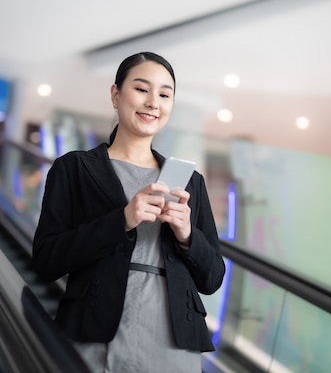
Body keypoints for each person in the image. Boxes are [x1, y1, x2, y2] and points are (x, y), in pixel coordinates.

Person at [32, 52, 225, 373]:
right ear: (115, 94)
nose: (153, 102)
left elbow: (213, 278)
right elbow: (45, 262)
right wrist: (122, 220)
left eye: (164, 94)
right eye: (141, 89)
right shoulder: (75, 168)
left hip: (173, 344)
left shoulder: (191, 182)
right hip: (94, 334)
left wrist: (187, 236)